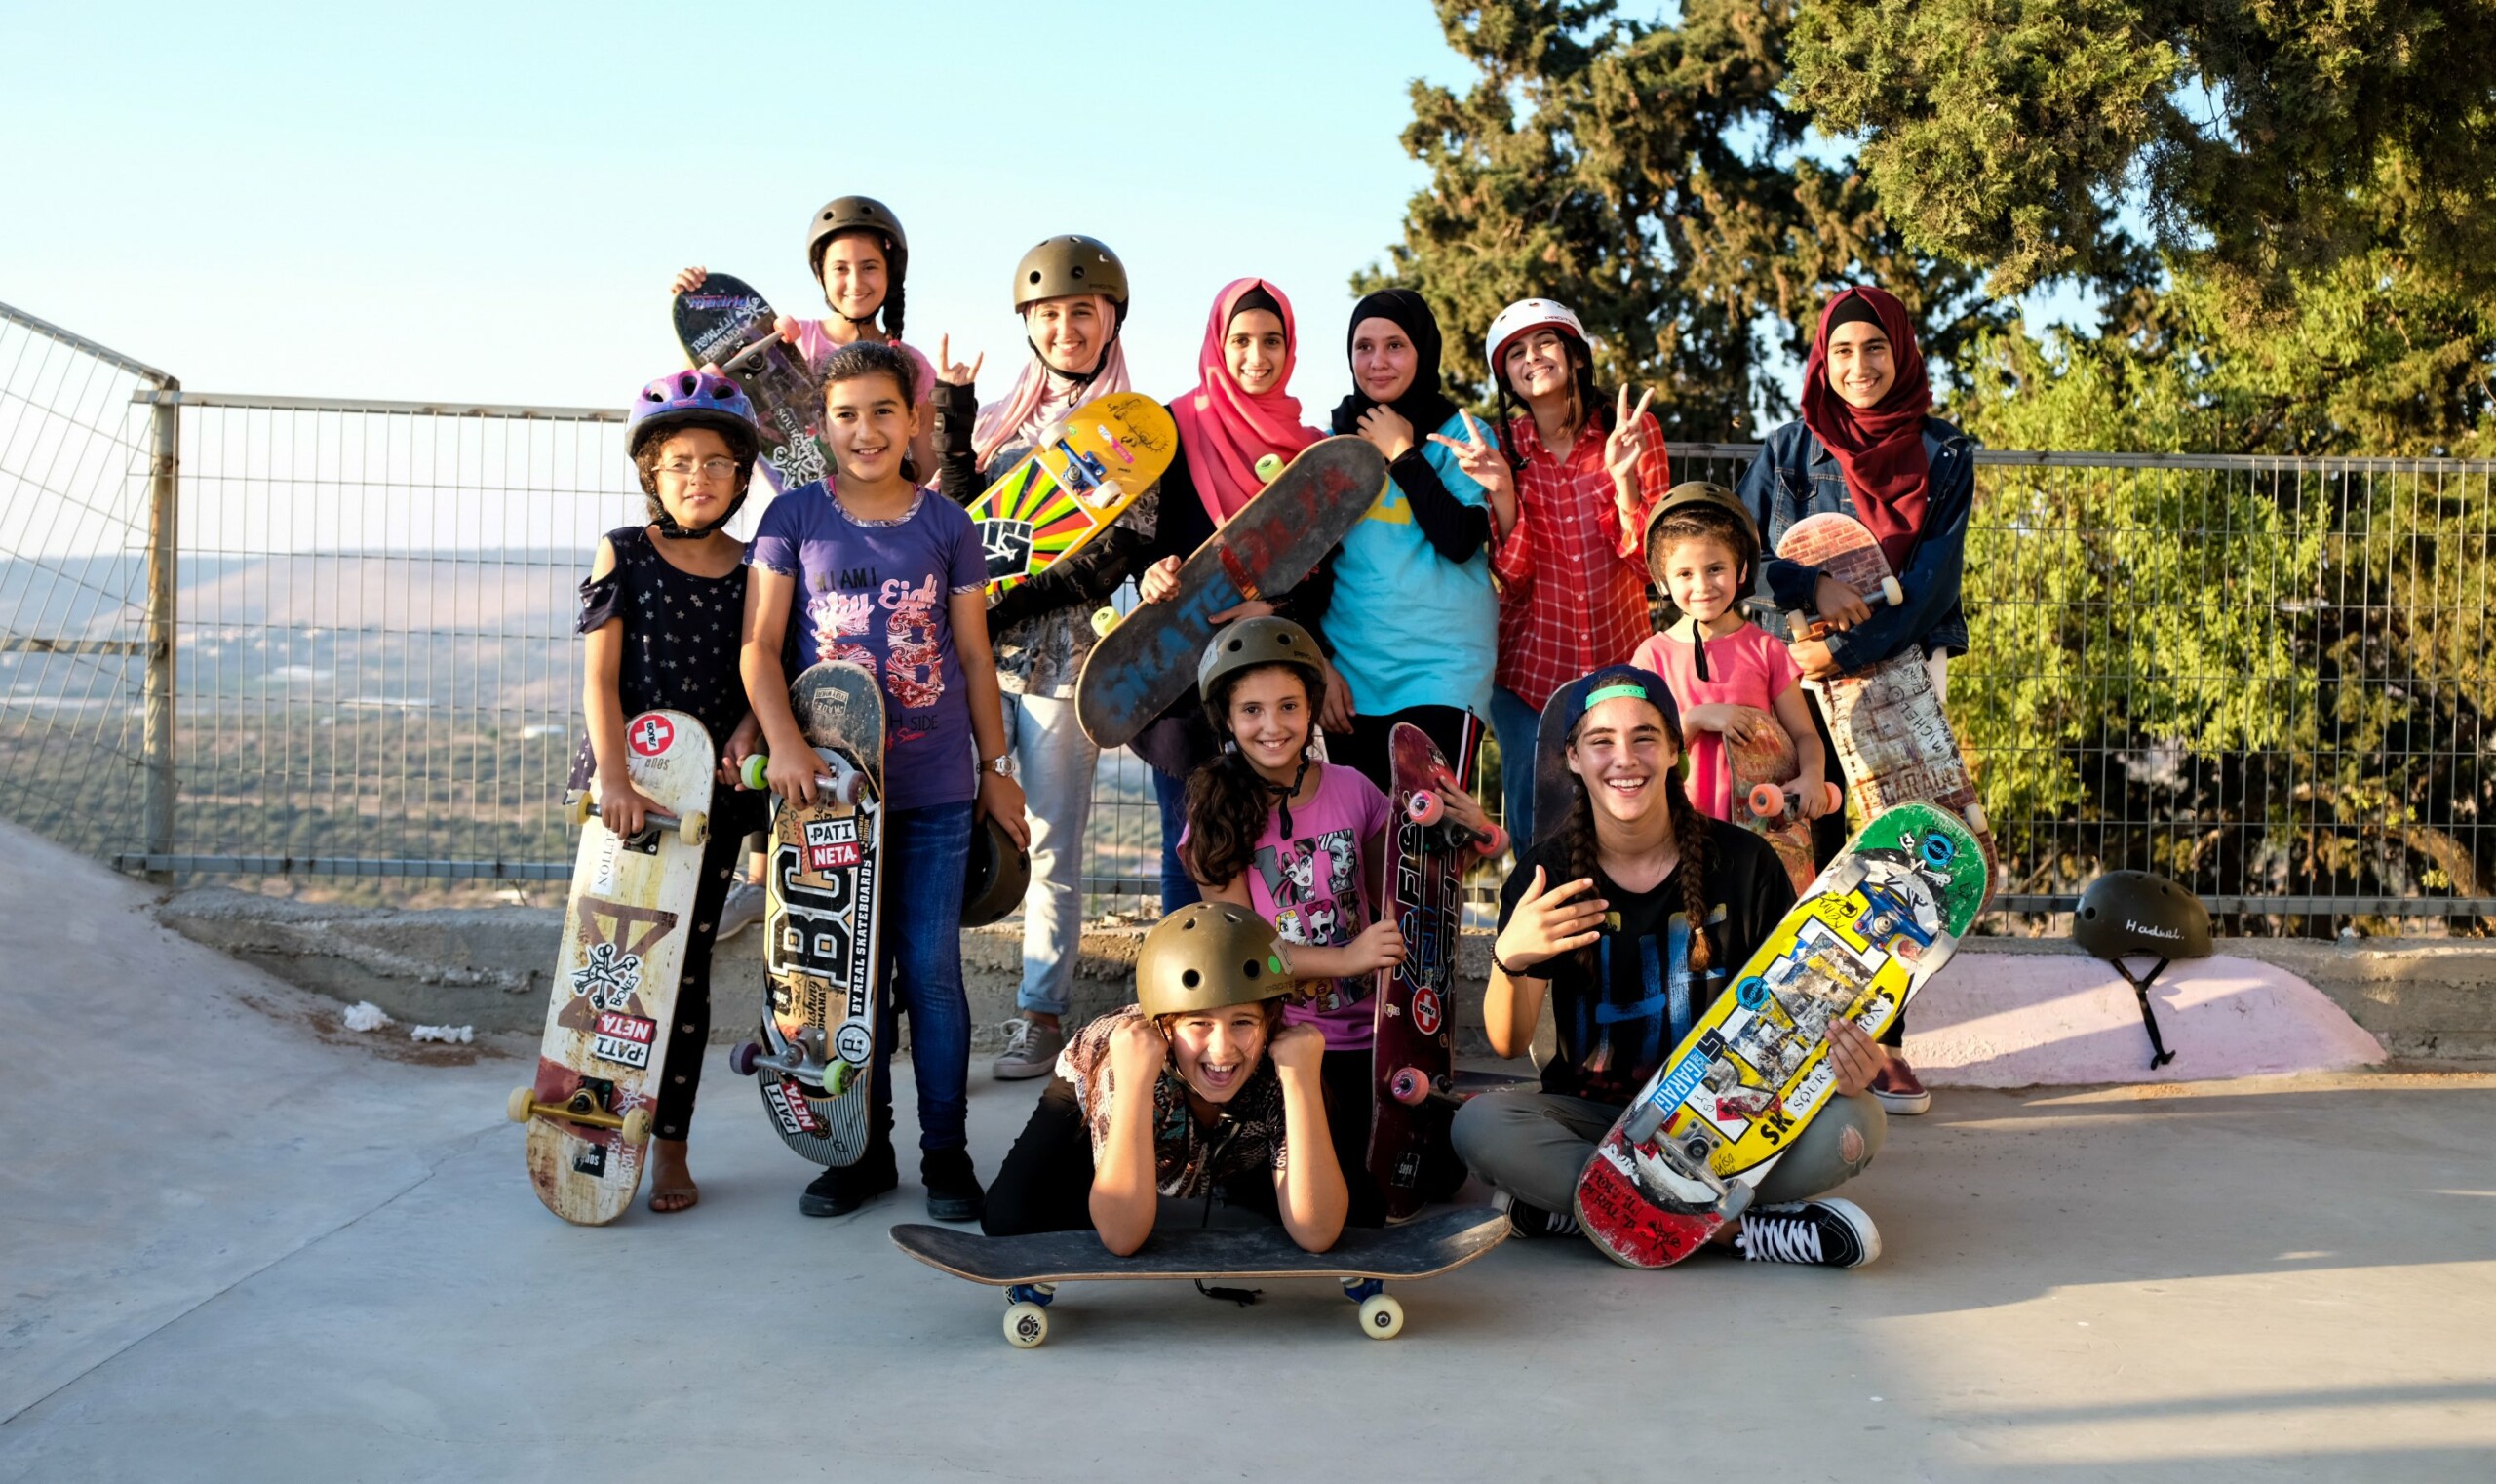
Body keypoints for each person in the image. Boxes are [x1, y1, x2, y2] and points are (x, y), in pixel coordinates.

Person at [1452, 666, 1891, 1268]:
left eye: (1644, 738)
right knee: (1479, 1127)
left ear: (1674, 752)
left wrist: (1844, 1066)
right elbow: (1507, 1043)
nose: (1623, 759)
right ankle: (1734, 1233)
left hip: (1728, 1124)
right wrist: (1511, 957)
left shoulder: (1745, 863)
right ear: (1574, 758)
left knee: (1857, 1121)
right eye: (1601, 741)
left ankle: (1582, 1214)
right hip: (1597, 1122)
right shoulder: (1546, 875)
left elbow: (1799, 1020)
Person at [740, 341, 1030, 1223]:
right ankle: (857, 1153)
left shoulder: (947, 525)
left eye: (881, 412)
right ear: (821, 427)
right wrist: (785, 746)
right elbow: (759, 646)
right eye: (845, 415)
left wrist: (995, 769)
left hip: (936, 787)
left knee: (932, 974)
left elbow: (976, 657)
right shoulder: (790, 518)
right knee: (846, 986)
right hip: (825, 797)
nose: (864, 431)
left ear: (914, 421)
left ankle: (946, 1160)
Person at [1736, 284, 1977, 1117]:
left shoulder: (1944, 455)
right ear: (1821, 361)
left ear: (1902, 353)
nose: (1860, 366)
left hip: (1903, 675)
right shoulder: (1788, 452)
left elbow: (1930, 583)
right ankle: (1794, 1044)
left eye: (1875, 349)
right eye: (1842, 352)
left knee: (1897, 865)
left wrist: (1839, 645)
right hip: (1795, 680)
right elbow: (1741, 559)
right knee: (1811, 850)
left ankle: (1884, 1048)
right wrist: (1811, 589)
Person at [930, 235, 1153, 1082]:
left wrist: (997, 599)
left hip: (1064, 666)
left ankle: (1039, 1016)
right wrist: (955, 410)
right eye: (1051, 314)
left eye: (1082, 313)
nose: (1066, 329)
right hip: (976, 664)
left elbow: (1109, 559)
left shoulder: (1137, 431)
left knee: (1055, 843)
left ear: (1109, 321)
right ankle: (928, 1000)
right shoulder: (1000, 423)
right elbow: (953, 518)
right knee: (951, 829)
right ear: (1029, 324)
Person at [1179, 616, 1484, 1225]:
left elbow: (1408, 891)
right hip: (1284, 1042)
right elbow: (1241, 960)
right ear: (1226, 719)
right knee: (1354, 1201)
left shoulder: (1353, 789)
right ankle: (1243, 1161)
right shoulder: (1216, 812)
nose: (1272, 727)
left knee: (1437, 1174)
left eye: (1289, 706)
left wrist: (1468, 831)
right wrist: (1345, 959)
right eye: (1252, 711)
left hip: (1373, 1038)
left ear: (1312, 706)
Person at [571, 370, 772, 1215]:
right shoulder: (623, 549)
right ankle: (594, 1124)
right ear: (652, 470)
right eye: (681, 461)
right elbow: (600, 680)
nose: (700, 477)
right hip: (630, 788)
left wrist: (752, 734)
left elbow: (768, 667)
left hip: (711, 800)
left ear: (740, 477)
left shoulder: (757, 564)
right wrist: (612, 775)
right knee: (610, 963)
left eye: (719, 463)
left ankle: (670, 1147)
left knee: (684, 977)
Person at [1428, 298, 1671, 851]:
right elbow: (1512, 578)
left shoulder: (1633, 433)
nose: (1531, 358)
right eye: (1516, 353)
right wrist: (1504, 492)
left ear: (1576, 356)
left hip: (1622, 666)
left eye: (1545, 343)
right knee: (1539, 837)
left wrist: (1623, 481)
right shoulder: (1499, 448)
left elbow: (1650, 566)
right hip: (1530, 681)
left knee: (1633, 826)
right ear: (1506, 376)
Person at [1130, 278, 1337, 912]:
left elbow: (1323, 568)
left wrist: (1270, 612)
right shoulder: (1170, 426)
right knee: (1191, 847)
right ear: (1217, 344)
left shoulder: (1306, 447)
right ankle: (1186, 999)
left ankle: (1255, 994)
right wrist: (1150, 578)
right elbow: (1139, 543)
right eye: (1240, 340)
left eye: (1271, 341)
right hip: (1181, 681)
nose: (1256, 356)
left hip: (1267, 675)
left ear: (1290, 347)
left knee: (1267, 846)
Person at [981, 901, 1348, 1257]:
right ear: (1165, 1027)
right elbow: (1122, 1239)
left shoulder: (1277, 1060)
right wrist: (1136, 1087)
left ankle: (1232, 1182)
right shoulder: (1123, 1061)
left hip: (1229, 1143)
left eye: (1242, 1022)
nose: (1221, 1050)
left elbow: (1318, 1232)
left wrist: (1301, 1083)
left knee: (1359, 1213)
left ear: (1268, 1023)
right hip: (1099, 1102)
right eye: (1199, 1023)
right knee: (1010, 1217)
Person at [1317, 288, 1497, 793]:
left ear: (1423, 350)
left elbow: (1460, 538)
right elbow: (1306, 567)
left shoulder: (1462, 436)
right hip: (1351, 681)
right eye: (1363, 347)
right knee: (1358, 858)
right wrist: (1319, 661)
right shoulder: (1330, 444)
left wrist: (1402, 452)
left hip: (1442, 675)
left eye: (1395, 346)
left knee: (1424, 856)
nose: (1377, 362)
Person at [672, 194, 938, 482]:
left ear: (891, 273)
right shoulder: (783, 340)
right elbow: (701, 384)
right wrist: (694, 313)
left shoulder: (912, 364)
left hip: (879, 516)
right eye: (840, 268)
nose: (855, 282)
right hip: (795, 514)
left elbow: (927, 467)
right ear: (820, 274)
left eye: (869, 267)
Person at [1630, 482, 1830, 831]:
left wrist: (1813, 776)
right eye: (1684, 574)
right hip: (1675, 830)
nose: (1703, 586)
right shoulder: (1652, 657)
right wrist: (1696, 718)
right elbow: (1640, 746)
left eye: (1715, 569)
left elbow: (1805, 736)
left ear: (1741, 570)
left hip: (1758, 829)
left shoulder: (1766, 650)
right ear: (1663, 581)